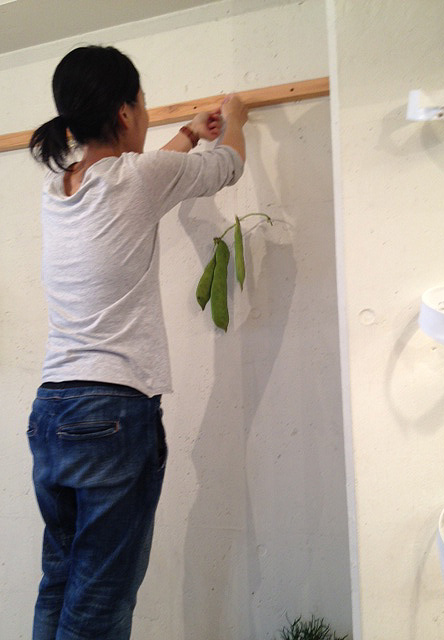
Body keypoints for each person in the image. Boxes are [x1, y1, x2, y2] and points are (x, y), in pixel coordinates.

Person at [27, 44, 247, 640]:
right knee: (99, 602)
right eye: (143, 106)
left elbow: (143, 174)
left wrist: (188, 133)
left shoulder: (58, 189)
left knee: (61, 582)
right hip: (111, 412)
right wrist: (236, 117)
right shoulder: (139, 178)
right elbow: (228, 166)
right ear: (125, 113)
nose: (146, 117)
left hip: (51, 412)